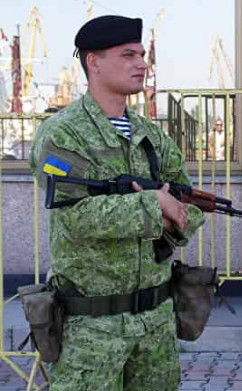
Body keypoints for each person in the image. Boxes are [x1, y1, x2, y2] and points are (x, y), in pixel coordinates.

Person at [29, 15, 204, 391]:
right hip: (92, 328)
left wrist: (176, 211)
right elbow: (74, 216)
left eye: (142, 54)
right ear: (93, 61)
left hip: (155, 320)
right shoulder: (63, 133)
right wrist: (155, 206)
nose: (142, 63)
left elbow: (188, 204)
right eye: (128, 55)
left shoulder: (151, 136)